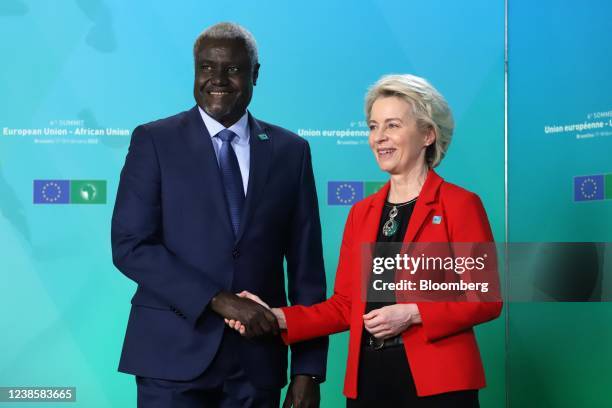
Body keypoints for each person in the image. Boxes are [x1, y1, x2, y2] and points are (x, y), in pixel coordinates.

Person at [228, 74, 502, 407]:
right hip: (369, 378)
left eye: (393, 126)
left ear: (428, 134)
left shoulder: (459, 204)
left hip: (439, 384)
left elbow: (486, 299)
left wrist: (413, 314)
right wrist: (276, 317)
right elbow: (344, 306)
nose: (379, 138)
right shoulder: (363, 212)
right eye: (373, 127)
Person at [111, 22, 328, 408]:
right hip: (170, 358)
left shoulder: (290, 151)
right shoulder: (154, 141)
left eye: (233, 69)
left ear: (255, 74)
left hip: (257, 364)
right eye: (207, 67)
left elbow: (306, 270)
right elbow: (131, 245)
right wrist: (219, 299)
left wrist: (307, 370)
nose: (218, 79)